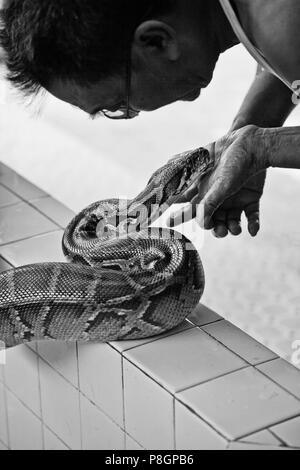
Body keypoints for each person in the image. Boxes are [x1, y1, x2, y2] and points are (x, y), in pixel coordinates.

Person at [1, 0, 300, 238]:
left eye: (119, 104)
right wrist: (246, 130)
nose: (131, 112)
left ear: (156, 42)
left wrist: (261, 147)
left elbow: (287, 42)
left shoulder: (285, 24)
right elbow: (280, 58)